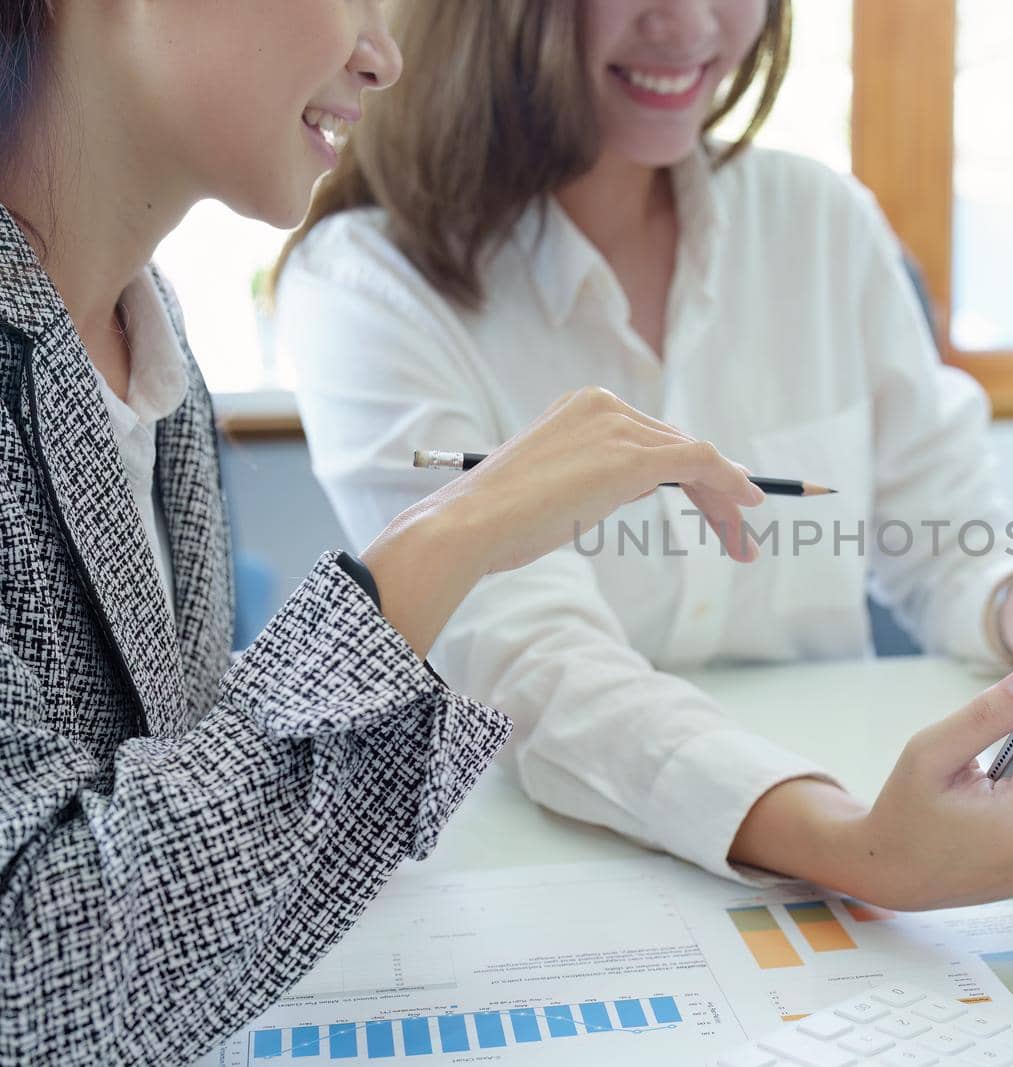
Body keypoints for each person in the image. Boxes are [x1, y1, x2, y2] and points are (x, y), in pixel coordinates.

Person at [0, 2, 772, 1062]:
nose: (385, 54)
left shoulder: (142, 333)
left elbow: (148, 784)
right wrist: (436, 551)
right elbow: (32, 986)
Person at [275, 0, 1013, 910]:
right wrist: (849, 845)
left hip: (853, 812)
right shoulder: (369, 287)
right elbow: (535, 667)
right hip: (554, 873)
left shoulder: (820, 221)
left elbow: (941, 536)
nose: (689, 22)